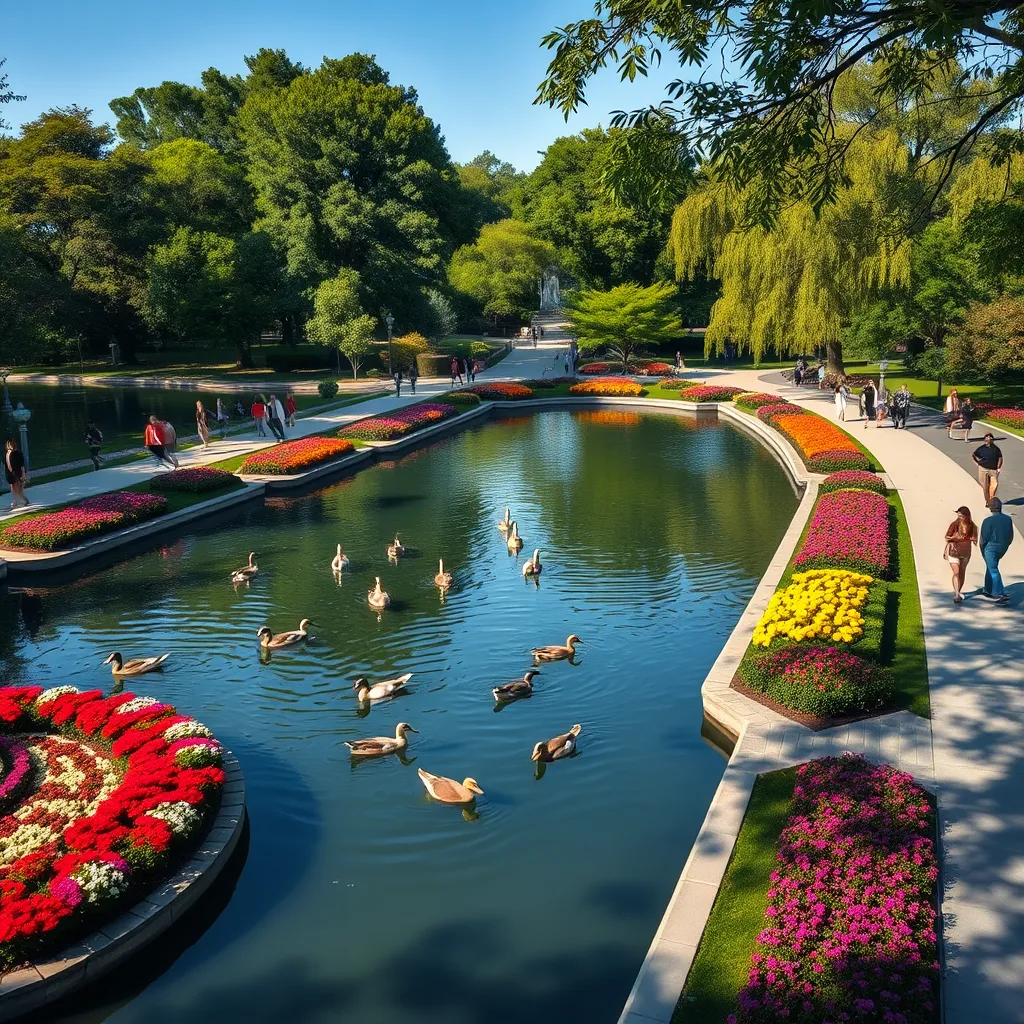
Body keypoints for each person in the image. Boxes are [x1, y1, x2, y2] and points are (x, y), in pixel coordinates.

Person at [980, 497, 1014, 604]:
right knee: (990, 566)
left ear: (990, 508)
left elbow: (983, 538)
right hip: (1003, 546)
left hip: (990, 547)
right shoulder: (1008, 519)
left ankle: (1000, 593)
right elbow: (1010, 535)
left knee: (993, 569)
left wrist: (982, 549)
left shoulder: (987, 521)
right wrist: (1006, 544)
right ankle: (988, 588)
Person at [944, 506, 978, 604]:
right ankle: (957, 594)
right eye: (958, 516)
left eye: (962, 517)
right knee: (956, 572)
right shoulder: (954, 524)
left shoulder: (972, 526)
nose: (960, 519)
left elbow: (975, 539)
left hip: (965, 552)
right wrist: (954, 537)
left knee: (962, 572)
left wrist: (972, 539)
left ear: (967, 516)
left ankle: (958, 590)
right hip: (954, 551)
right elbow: (947, 537)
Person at [973, 432, 1003, 507]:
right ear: (985, 440)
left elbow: (1000, 458)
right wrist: (977, 463)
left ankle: (991, 498)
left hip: (993, 469)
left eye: (990, 437)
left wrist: (998, 467)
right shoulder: (981, 449)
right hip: (983, 468)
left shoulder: (996, 449)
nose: (989, 438)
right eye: (987, 437)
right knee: (985, 486)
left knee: (994, 484)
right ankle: (987, 501)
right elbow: (974, 454)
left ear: (993, 440)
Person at [4, 439, 28, 509]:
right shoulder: (18, 453)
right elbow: (22, 465)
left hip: (11, 473)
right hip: (17, 472)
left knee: (14, 487)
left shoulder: (8, 454)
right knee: (18, 488)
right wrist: (23, 474)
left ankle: (19, 500)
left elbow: (8, 465)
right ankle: (20, 500)